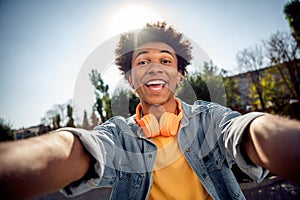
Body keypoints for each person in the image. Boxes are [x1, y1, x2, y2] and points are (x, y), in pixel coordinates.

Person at [0, 21, 300, 200]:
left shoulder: (209, 119)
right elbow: (80, 148)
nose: (155, 66)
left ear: (180, 75)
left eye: (166, 60)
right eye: (142, 61)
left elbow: (246, 131)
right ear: (130, 78)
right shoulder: (119, 134)